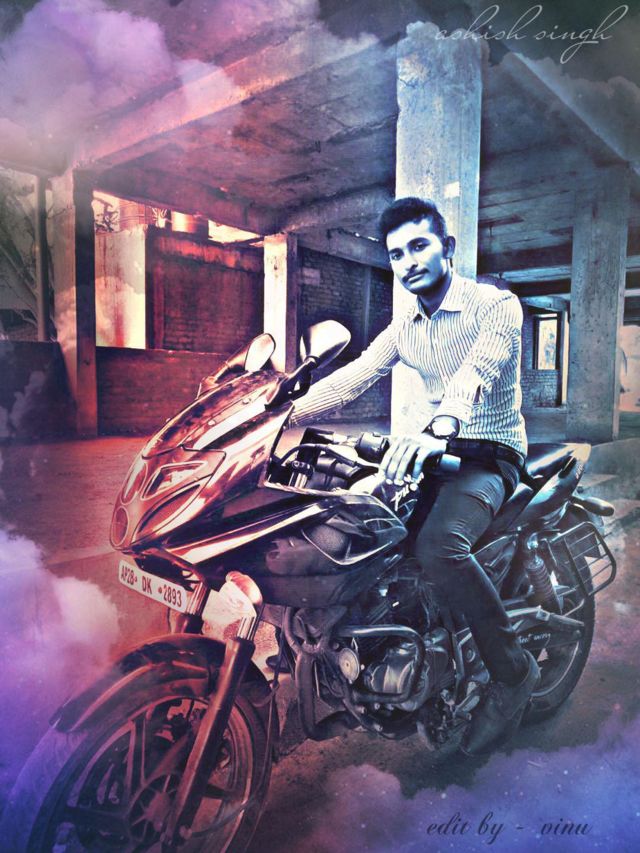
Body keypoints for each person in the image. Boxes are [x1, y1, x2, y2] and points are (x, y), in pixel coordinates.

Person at [289, 196, 540, 755]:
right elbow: (355, 377)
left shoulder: (495, 306)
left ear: (447, 248)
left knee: (439, 548)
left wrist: (441, 425)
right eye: (397, 254)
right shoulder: (406, 325)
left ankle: (513, 674)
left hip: (489, 453)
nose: (408, 261)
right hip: (434, 450)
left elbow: (477, 371)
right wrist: (275, 414)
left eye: (419, 246)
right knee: (365, 531)